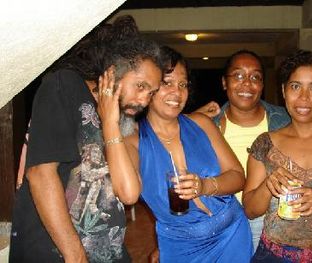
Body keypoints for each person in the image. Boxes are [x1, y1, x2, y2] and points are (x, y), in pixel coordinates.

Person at [9, 34, 164, 262]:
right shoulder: (65, 86)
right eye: (140, 86)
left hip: (108, 252)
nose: (144, 100)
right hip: (57, 251)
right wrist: (76, 254)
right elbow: (41, 173)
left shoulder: (123, 121)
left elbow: (129, 193)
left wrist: (110, 122)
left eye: (151, 93)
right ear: (113, 72)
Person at [125, 46, 253, 262]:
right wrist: (110, 122)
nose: (177, 92)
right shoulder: (133, 142)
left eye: (183, 84)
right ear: (149, 86)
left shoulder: (201, 123)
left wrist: (204, 185)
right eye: (167, 83)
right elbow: (126, 193)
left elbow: (238, 176)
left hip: (233, 235)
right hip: (182, 248)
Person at [243, 50, 312, 262]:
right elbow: (250, 210)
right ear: (283, 91)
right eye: (295, 86)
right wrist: (267, 186)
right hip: (272, 256)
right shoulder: (265, 143)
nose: (304, 98)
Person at [211, 50, 290, 250]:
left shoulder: (285, 120)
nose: (247, 83)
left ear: (262, 85)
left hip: (269, 219)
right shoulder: (207, 124)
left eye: (255, 77)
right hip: (222, 219)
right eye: (238, 75)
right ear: (224, 83)